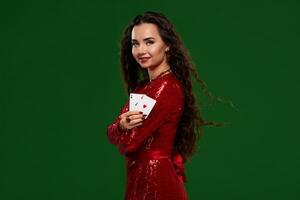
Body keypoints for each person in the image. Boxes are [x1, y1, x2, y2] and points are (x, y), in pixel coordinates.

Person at [107, 11, 228, 200]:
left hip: (155, 181)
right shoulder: (143, 88)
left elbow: (129, 145)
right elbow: (111, 133)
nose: (140, 50)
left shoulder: (166, 88)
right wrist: (122, 126)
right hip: (140, 176)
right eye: (135, 43)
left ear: (167, 45)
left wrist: (120, 128)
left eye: (149, 42)